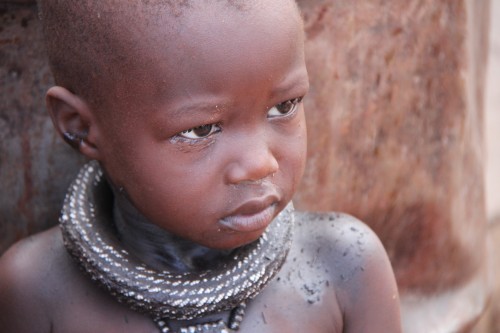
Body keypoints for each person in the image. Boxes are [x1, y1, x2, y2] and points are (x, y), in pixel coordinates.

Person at [0, 0, 402, 332]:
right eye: (200, 130)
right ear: (81, 128)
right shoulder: (38, 290)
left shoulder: (343, 267)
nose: (260, 164)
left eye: (284, 106)